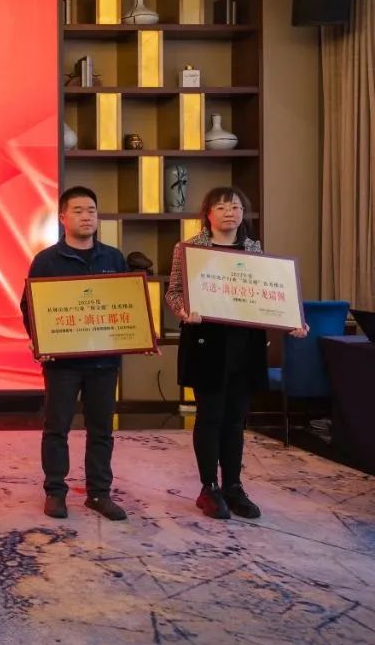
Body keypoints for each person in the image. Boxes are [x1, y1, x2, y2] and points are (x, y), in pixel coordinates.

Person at [165, 186, 308, 520]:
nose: (230, 212)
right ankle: (208, 488)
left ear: (243, 213)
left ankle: (233, 486)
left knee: (235, 419)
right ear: (208, 213)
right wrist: (184, 311)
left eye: (236, 207)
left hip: (245, 345)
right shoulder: (188, 249)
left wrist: (292, 320)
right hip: (206, 344)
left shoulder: (253, 249)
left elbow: (266, 294)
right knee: (211, 416)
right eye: (221, 207)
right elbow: (174, 292)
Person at [20, 186, 130, 522]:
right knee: (57, 428)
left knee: (102, 430)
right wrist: (40, 341)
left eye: (91, 211)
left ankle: (99, 493)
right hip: (62, 364)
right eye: (78, 211)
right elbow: (29, 306)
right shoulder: (46, 261)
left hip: (104, 362)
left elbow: (126, 304)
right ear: (63, 217)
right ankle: (55, 491)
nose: (86, 217)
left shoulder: (113, 258)